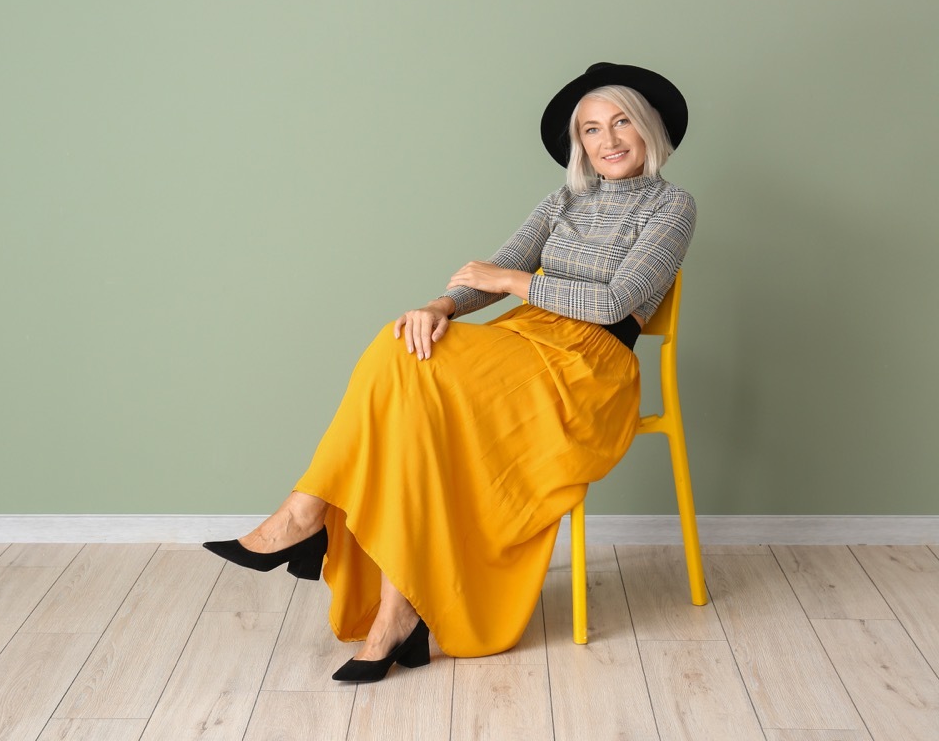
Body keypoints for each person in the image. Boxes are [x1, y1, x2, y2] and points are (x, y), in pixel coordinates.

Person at [204, 62, 696, 682]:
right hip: (523, 341)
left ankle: (311, 522)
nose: (609, 139)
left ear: (649, 128)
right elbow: (494, 271)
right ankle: (379, 592)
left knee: (416, 378)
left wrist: (516, 283)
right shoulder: (562, 202)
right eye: (592, 129)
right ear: (580, 144)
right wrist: (439, 305)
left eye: (622, 122)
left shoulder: (672, 205)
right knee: (403, 345)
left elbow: (611, 304)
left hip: (590, 368)